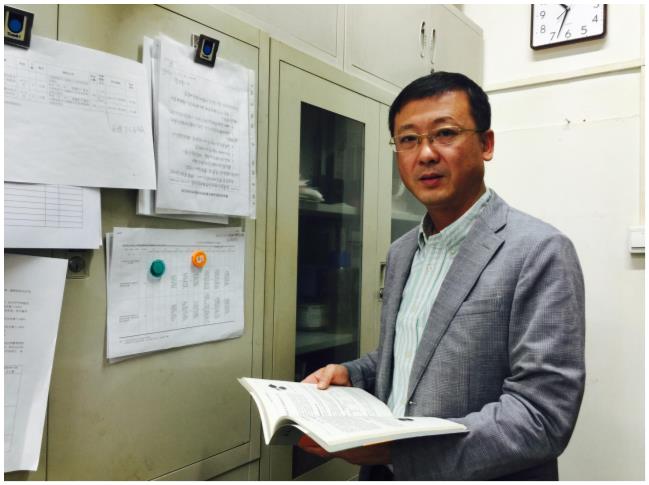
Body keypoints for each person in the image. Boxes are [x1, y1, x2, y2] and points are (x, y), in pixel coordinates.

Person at [299, 71, 585, 480]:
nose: (426, 154)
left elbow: (542, 416)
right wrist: (354, 374)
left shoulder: (539, 251)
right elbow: (411, 354)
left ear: (486, 144)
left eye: (445, 133)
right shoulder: (402, 251)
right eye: (408, 139)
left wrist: (400, 452)